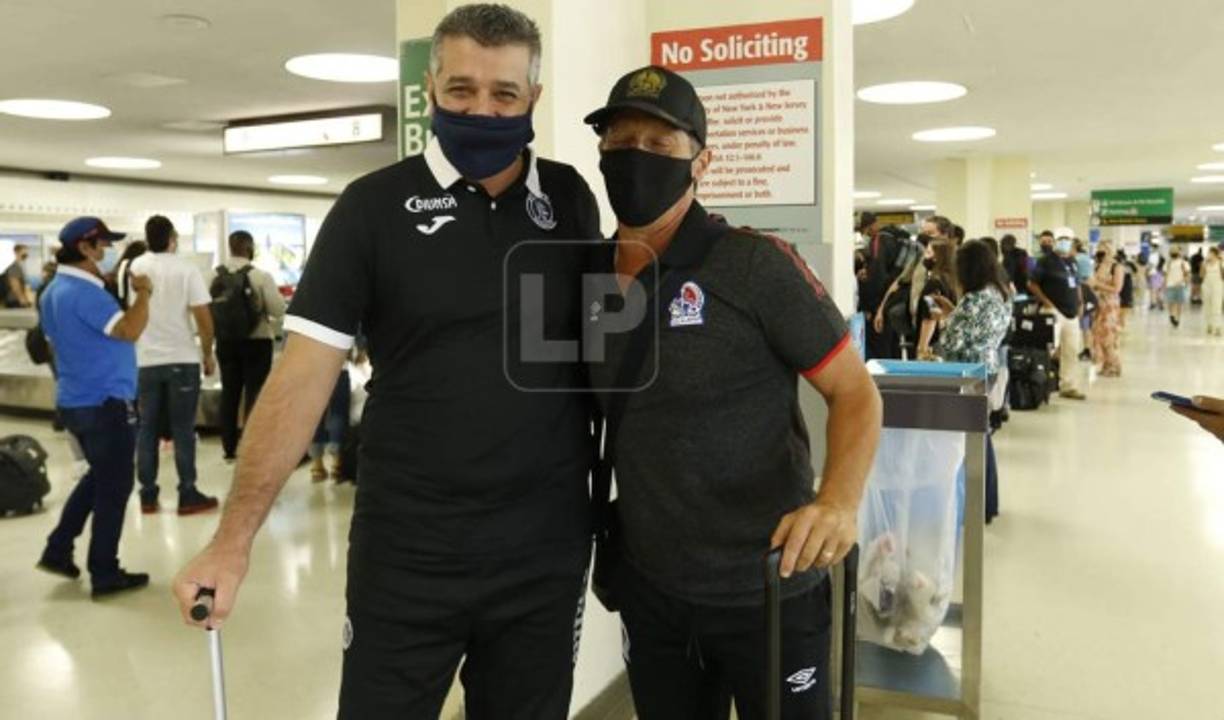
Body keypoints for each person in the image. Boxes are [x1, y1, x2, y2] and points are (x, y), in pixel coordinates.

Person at [173, 6, 601, 717]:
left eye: (504, 95)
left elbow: (602, 359)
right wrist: (232, 541)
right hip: (410, 553)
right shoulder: (371, 209)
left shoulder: (569, 200)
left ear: (534, 101)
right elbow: (303, 378)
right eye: (462, 90)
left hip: (545, 552)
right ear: (430, 88)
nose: (482, 110)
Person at [584, 65, 883, 720]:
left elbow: (856, 392)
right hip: (653, 590)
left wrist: (837, 502)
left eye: (659, 146)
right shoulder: (583, 274)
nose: (636, 159)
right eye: (620, 143)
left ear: (702, 162)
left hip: (769, 590)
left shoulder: (754, 266)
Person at [34, 217, 153, 597]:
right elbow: (130, 330)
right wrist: (144, 294)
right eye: (103, 244)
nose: (108, 252)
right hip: (105, 402)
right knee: (114, 487)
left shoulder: (53, 290)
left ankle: (58, 548)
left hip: (75, 399)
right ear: (85, 248)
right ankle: (105, 572)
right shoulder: (86, 293)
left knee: (99, 477)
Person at [127, 215, 218, 515]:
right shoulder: (185, 268)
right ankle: (187, 493)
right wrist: (208, 353)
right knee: (182, 428)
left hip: (145, 360)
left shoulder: (136, 266)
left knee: (147, 428)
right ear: (172, 238)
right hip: (181, 358)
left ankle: (148, 495)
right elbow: (203, 317)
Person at [932, 239, 1012, 523]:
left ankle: (976, 504)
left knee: (971, 441)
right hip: (987, 369)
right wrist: (954, 313)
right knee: (982, 434)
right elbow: (979, 332)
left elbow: (952, 343)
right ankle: (988, 502)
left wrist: (946, 324)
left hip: (967, 374)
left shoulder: (975, 299)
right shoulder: (1000, 293)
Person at [214, 230, 287, 462]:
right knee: (255, 393)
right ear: (249, 248)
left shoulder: (213, 275)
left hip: (225, 341)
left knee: (230, 393)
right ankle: (252, 445)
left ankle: (228, 447)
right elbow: (278, 310)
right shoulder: (260, 276)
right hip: (256, 342)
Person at [1028, 233, 1086, 400]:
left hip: (1072, 312)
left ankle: (1068, 386)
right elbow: (1032, 283)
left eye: (1068, 240)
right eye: (1061, 239)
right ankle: (1041, 384)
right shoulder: (1045, 261)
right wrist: (1046, 302)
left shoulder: (1072, 262)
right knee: (1048, 349)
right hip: (1053, 311)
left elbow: (1077, 284)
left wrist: (1080, 302)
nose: (1065, 243)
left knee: (1071, 350)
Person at [857, 211, 907, 359]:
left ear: (873, 225)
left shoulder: (878, 240)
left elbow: (877, 277)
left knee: (879, 351)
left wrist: (870, 306)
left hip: (879, 305)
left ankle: (880, 382)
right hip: (894, 300)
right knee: (892, 348)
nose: (864, 234)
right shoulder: (896, 240)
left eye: (863, 230)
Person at [915, 240, 957, 360]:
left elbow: (930, 317)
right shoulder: (953, 280)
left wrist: (922, 347)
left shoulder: (934, 283)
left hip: (935, 342)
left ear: (937, 257)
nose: (924, 256)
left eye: (928, 252)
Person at [1088, 241, 1124, 377]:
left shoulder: (1117, 267)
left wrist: (1097, 284)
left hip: (1110, 305)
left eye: (1104, 249)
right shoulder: (1098, 265)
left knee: (1108, 336)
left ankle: (1115, 365)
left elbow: (1117, 288)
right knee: (1098, 335)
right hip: (1098, 304)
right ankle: (1106, 365)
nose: (1101, 252)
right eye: (1099, 249)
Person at [1165, 248, 1190, 327]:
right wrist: (1165, 284)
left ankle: (1177, 319)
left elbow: (1187, 274)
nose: (1174, 253)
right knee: (1170, 302)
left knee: (1179, 303)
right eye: (1172, 252)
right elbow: (1165, 274)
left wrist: (1184, 282)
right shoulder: (1168, 263)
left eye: (1175, 252)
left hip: (1180, 285)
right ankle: (1171, 315)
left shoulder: (1184, 263)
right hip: (1170, 285)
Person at [4, 242, 33, 308]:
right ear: (17, 252)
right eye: (24, 251)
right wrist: (22, 300)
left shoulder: (20, 265)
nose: (27, 253)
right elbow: (14, 284)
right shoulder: (14, 266)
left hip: (17, 300)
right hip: (14, 300)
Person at [1203, 245, 1223, 336]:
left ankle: (1217, 327)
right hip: (1207, 285)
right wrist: (1203, 264)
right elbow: (1201, 275)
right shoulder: (1205, 263)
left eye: (1210, 253)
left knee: (1217, 306)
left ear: (1215, 254)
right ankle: (1209, 325)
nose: (1209, 255)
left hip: (1218, 285)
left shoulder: (1221, 263)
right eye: (1208, 253)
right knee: (1207, 306)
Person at [1117, 249, 1136, 329]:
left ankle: (1121, 324)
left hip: (1121, 286)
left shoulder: (1117, 264)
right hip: (1126, 286)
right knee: (1124, 308)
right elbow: (1135, 272)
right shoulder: (1129, 264)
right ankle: (1121, 324)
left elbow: (1135, 271)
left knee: (1121, 307)